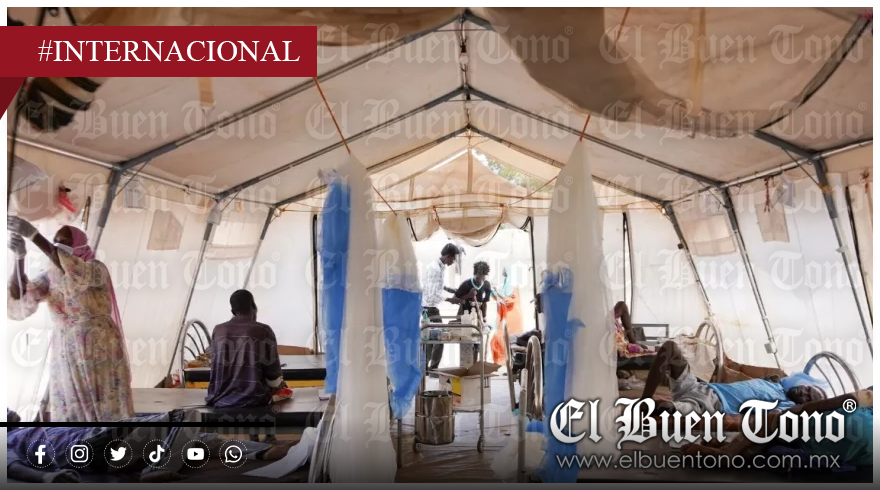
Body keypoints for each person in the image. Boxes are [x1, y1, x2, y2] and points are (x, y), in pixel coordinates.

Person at [7, 216, 134, 422]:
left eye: (65, 242)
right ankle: (78, 438)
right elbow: (21, 296)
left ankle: (112, 436)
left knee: (104, 398)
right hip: (66, 349)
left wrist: (35, 236)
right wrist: (19, 259)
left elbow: (73, 269)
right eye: (56, 241)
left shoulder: (95, 269)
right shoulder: (50, 277)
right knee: (70, 401)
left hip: (98, 344)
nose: (58, 246)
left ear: (80, 245)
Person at [6, 409, 292, 483]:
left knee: (193, 438)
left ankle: (262, 452)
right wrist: (47, 478)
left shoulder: (37, 427)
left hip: (107, 449)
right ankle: (157, 468)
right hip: (96, 448)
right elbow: (12, 467)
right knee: (187, 417)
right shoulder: (9, 439)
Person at [681, 389, 873, 470]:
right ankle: (732, 450)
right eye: (806, 389)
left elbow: (843, 400)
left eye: (809, 394)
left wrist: (799, 409)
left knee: (773, 419)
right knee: (774, 435)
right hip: (858, 451)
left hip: (841, 430)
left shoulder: (855, 403)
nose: (804, 392)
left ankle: (728, 452)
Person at [642, 340, 827, 416]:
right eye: (808, 389)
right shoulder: (777, 385)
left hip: (710, 405)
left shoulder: (785, 406)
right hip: (702, 388)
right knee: (670, 348)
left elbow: (775, 418)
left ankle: (655, 406)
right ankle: (645, 398)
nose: (804, 392)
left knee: (664, 407)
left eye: (808, 398)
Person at [206, 290, 285, 408]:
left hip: (220, 400)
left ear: (233, 311)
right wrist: (281, 385)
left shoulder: (218, 330)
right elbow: (273, 378)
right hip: (254, 401)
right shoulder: (264, 331)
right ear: (253, 306)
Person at [420, 243, 461, 372]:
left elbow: (438, 285)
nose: (453, 262)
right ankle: (432, 369)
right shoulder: (435, 269)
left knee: (431, 338)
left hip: (429, 306)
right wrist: (451, 300)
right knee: (440, 337)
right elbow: (433, 294)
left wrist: (450, 289)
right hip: (429, 307)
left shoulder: (439, 267)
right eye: (453, 259)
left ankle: (426, 368)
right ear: (448, 256)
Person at [452, 261, 495, 365]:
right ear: (475, 273)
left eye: (483, 276)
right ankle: (465, 367)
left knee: (477, 343)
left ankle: (475, 367)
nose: (480, 279)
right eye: (478, 276)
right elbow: (454, 299)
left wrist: (484, 319)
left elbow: (484, 303)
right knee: (466, 342)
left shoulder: (487, 285)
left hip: (477, 317)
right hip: (464, 317)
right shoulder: (466, 284)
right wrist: (468, 295)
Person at [490, 267, 522, 365]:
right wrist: (493, 291)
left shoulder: (511, 285)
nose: (502, 271)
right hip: (507, 316)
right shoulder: (507, 283)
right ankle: (505, 362)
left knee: (503, 340)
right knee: (499, 340)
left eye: (505, 269)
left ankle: (506, 362)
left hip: (511, 316)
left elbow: (507, 300)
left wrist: (495, 291)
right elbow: (501, 298)